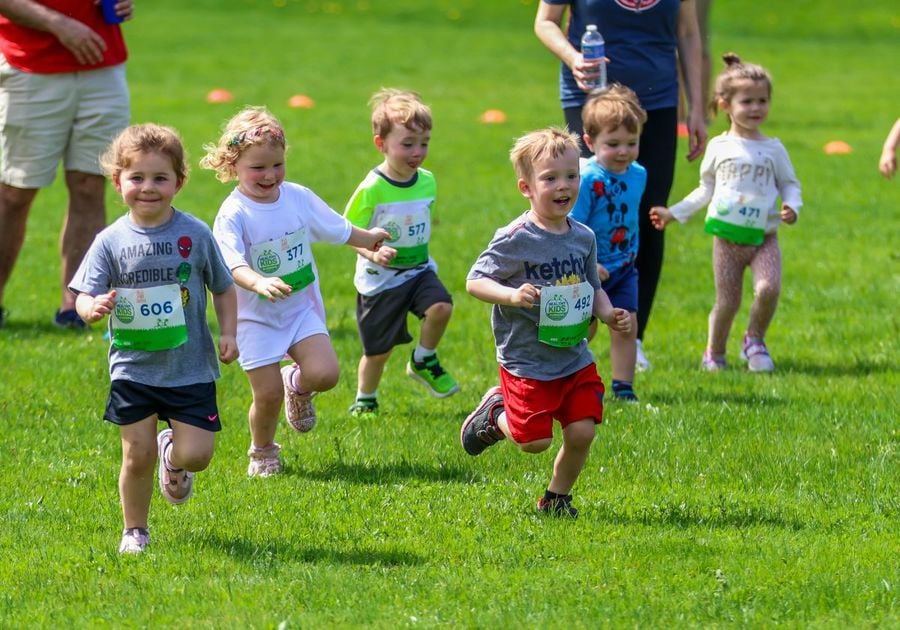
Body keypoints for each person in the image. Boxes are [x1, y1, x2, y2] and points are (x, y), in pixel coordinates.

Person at [69, 124, 238, 554]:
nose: (148, 188)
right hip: (134, 367)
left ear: (178, 182)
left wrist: (230, 333)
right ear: (117, 182)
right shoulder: (110, 241)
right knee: (135, 454)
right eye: (137, 178)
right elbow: (83, 294)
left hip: (190, 366)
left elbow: (223, 286)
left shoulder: (195, 235)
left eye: (160, 178)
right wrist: (92, 309)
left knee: (198, 454)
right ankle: (135, 530)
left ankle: (175, 458)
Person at [204, 106, 388, 477]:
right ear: (233, 164)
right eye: (258, 167)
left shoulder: (297, 197)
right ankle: (263, 451)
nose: (270, 175)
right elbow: (230, 262)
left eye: (277, 165)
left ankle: (298, 385)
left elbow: (335, 226)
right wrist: (258, 281)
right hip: (254, 317)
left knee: (325, 374)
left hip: (299, 308)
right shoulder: (233, 213)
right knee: (267, 394)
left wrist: (368, 240)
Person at [461, 128, 631, 518]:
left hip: (573, 356)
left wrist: (607, 313)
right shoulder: (516, 238)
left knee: (582, 431)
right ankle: (495, 414)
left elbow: (591, 286)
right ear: (526, 187)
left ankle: (556, 499)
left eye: (571, 176)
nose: (563, 186)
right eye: (550, 178)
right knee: (532, 442)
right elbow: (474, 280)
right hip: (527, 360)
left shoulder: (583, 237)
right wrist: (511, 294)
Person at [534, 0, 709, 372]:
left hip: (657, 101)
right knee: (575, 217)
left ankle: (633, 336)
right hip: (590, 99)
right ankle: (569, 332)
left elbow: (688, 33)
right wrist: (573, 57)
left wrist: (695, 106)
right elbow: (545, 22)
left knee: (647, 216)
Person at [650, 53, 802, 373]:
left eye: (763, 100)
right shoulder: (719, 148)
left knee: (768, 288)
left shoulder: (774, 148)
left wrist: (792, 206)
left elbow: (790, 184)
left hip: (764, 237)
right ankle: (714, 352)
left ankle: (754, 340)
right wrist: (673, 213)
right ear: (725, 104)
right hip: (727, 239)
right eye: (747, 101)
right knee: (728, 302)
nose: (756, 108)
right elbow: (705, 189)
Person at [0, 0, 133, 330]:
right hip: (29, 68)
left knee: (90, 186)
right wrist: (59, 24)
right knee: (15, 193)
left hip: (102, 64)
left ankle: (75, 307)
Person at [343, 88, 458, 419]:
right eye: (407, 144)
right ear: (381, 144)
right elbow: (347, 232)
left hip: (419, 271)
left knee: (441, 306)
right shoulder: (372, 188)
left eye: (424, 143)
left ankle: (424, 359)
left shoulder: (428, 181)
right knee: (378, 352)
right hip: (380, 281)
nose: (417, 152)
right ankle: (366, 398)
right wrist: (371, 253)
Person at [570, 84, 647, 401]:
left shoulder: (638, 174)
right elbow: (573, 225)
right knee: (583, 328)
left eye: (632, 143)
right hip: (589, 270)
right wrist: (590, 263)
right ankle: (570, 379)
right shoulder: (587, 179)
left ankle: (623, 387)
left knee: (626, 324)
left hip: (623, 266)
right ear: (590, 142)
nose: (624, 151)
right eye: (613, 144)